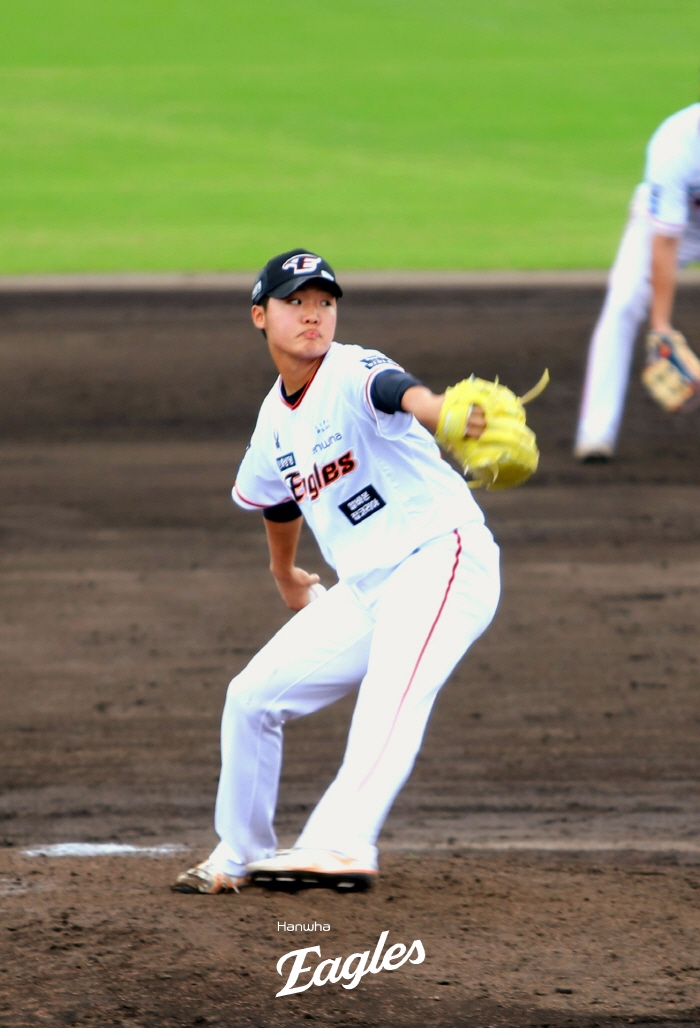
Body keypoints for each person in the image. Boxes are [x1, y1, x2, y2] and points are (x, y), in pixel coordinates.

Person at [172, 248, 501, 894]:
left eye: (324, 301)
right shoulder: (274, 420)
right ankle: (237, 852)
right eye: (296, 302)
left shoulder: (352, 368)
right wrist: (286, 573)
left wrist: (440, 411)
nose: (314, 315)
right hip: (368, 588)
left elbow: (398, 391)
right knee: (251, 698)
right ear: (260, 316)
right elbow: (277, 496)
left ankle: (343, 844)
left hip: (442, 558)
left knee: (392, 690)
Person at [575, 102, 700, 461]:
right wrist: (660, 325)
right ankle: (595, 433)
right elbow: (666, 242)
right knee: (624, 303)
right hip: (667, 224)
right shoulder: (675, 144)